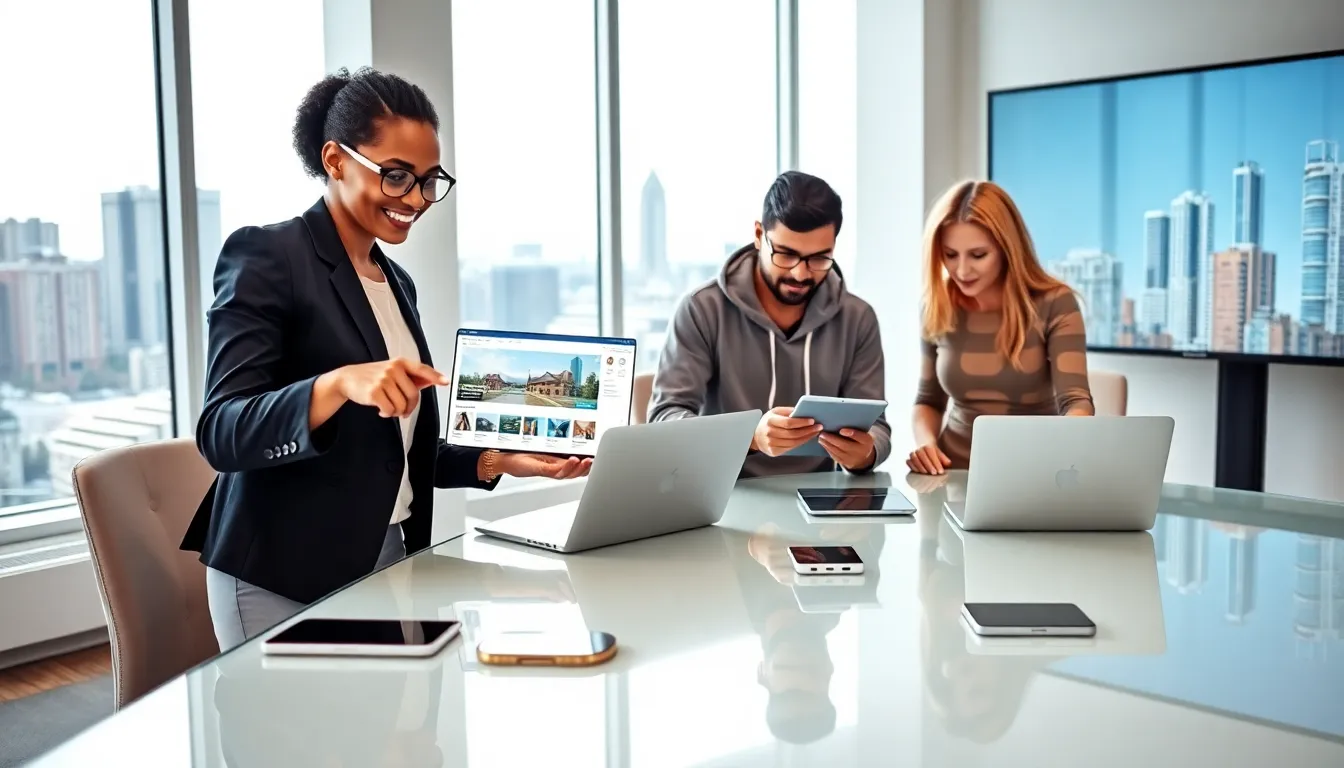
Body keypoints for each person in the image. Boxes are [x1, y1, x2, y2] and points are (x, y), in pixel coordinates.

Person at [182, 67, 590, 650]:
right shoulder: (269, 256)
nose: (415, 200)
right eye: (396, 176)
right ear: (335, 159)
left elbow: (398, 448)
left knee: (390, 738)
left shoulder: (396, 282)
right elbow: (222, 431)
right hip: (280, 570)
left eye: (428, 180)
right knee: (296, 742)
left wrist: (502, 460)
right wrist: (337, 384)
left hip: (387, 554)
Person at [649, 171, 891, 477]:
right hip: (722, 494)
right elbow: (663, 418)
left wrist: (865, 453)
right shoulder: (702, 309)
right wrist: (748, 438)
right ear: (759, 234)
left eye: (819, 258)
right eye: (786, 254)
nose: (801, 274)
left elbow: (877, 429)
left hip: (819, 501)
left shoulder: (858, 318)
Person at [909, 180, 1093, 476]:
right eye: (950, 254)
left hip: (1035, 476)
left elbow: (1076, 401)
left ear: (1008, 248)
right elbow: (928, 401)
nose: (962, 271)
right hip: (951, 476)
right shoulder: (936, 303)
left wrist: (1067, 455)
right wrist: (926, 444)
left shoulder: (1054, 302)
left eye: (978, 255)